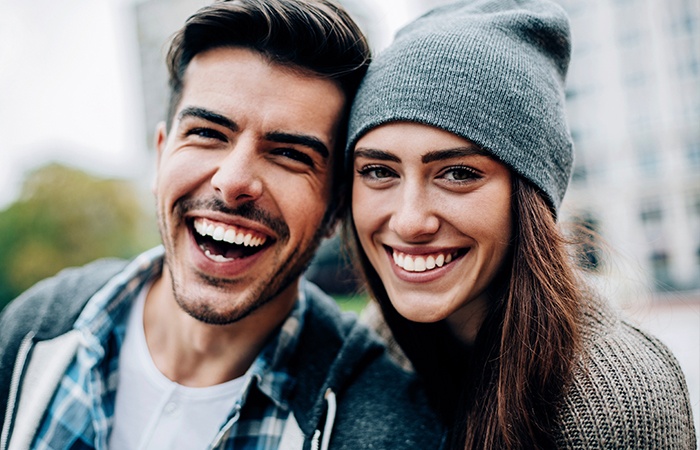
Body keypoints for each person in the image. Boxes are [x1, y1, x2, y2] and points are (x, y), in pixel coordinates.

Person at [0, 1, 446, 449]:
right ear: (161, 155)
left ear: (335, 210)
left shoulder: (388, 426)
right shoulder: (38, 328)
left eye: (290, 155)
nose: (232, 183)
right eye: (208, 134)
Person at [345, 0, 697, 448]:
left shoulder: (618, 398)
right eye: (378, 171)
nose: (411, 220)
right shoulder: (378, 343)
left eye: (458, 173)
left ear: (529, 197)